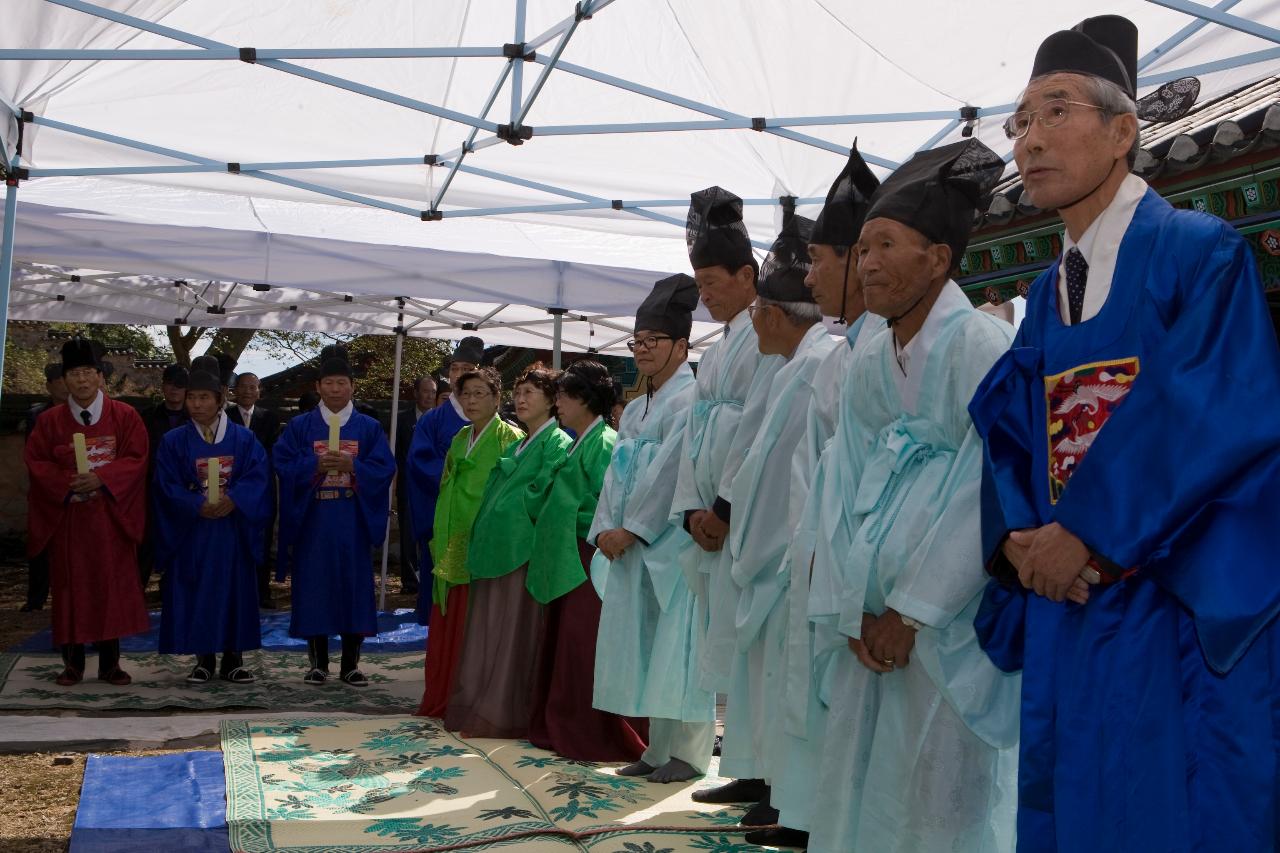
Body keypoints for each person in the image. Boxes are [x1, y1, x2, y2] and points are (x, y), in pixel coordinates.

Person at [970, 16, 1280, 852]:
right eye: (1019, 122)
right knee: (1074, 800)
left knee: (1167, 801)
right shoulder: (1045, 290)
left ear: (1123, 130)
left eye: (1055, 111)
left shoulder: (1199, 255)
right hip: (1067, 598)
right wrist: (1025, 545)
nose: (1029, 140)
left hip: (1167, 594)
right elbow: (1007, 431)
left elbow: (1218, 409)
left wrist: (1092, 534)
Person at [803, 139, 1019, 853]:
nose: (865, 263)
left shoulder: (980, 344)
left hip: (948, 623)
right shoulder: (870, 353)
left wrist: (913, 608)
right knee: (872, 785)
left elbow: (984, 487)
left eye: (885, 244)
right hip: (871, 611)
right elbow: (841, 479)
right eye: (861, 247)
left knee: (945, 794)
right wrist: (853, 602)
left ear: (939, 259)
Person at [758, 144, 880, 850]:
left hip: (859, 563)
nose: (810, 275)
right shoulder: (849, 349)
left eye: (820, 260)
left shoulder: (847, 354)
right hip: (818, 549)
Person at [718, 208, 836, 830]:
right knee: (767, 681)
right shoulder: (795, 366)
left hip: (799, 555)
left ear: (775, 314)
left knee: (797, 686)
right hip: (774, 552)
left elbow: (803, 472)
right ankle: (771, 782)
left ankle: (797, 802)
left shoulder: (819, 367)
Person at [673, 187, 782, 806]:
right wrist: (691, 506)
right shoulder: (717, 351)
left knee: (760, 649)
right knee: (732, 649)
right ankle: (745, 762)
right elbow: (698, 434)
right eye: (700, 283)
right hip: (710, 516)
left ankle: (772, 773)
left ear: (748, 276)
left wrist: (726, 507)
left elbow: (762, 432)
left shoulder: (769, 334)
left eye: (713, 281)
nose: (705, 295)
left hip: (748, 519)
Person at [591, 274, 716, 782]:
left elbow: (673, 472)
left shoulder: (690, 399)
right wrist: (604, 526)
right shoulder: (641, 404)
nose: (642, 350)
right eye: (636, 342)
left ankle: (690, 752)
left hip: (670, 543)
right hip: (634, 543)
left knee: (679, 648)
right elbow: (616, 470)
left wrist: (634, 530)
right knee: (645, 646)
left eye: (653, 342)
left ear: (682, 345)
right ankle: (658, 748)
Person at [528, 360, 647, 762]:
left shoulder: (605, 441)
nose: (557, 402)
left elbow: (611, 502)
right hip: (568, 552)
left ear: (584, 399)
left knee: (588, 644)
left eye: (563, 395)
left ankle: (598, 730)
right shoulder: (581, 439)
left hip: (591, 554)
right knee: (572, 642)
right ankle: (568, 722)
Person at [445, 364, 570, 737]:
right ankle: (484, 702)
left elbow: (543, 494)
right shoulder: (520, 443)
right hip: (498, 546)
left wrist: (508, 511)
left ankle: (508, 710)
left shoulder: (557, 442)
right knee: (491, 630)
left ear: (552, 400)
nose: (521, 399)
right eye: (519, 392)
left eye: (530, 392)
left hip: (523, 549)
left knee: (514, 632)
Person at [25, 338, 150, 686]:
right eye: (73, 374)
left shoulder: (125, 416)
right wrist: (68, 483)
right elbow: (36, 462)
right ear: (64, 380)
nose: (80, 380)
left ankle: (111, 663)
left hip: (110, 519)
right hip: (70, 522)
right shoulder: (49, 422)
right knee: (71, 589)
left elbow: (136, 459)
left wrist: (101, 478)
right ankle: (73, 663)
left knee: (109, 588)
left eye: (87, 373)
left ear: (100, 377)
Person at [274, 345, 395, 686]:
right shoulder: (300, 426)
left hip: (351, 519)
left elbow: (385, 467)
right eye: (329, 383)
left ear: (352, 387)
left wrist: (353, 466)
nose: (335, 389)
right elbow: (281, 463)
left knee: (353, 588)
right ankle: (317, 664)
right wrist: (314, 464)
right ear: (318, 387)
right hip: (314, 520)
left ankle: (351, 664)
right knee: (314, 587)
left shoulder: (368, 427)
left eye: (342, 382)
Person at [153, 356, 269, 684]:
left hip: (232, 530)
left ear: (221, 399)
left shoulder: (244, 439)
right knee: (196, 589)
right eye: (192, 397)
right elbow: (166, 484)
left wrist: (235, 499)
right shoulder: (173, 441)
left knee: (235, 590)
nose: (196, 404)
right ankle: (203, 658)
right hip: (195, 530)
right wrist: (194, 503)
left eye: (204, 397)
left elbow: (258, 476)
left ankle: (234, 658)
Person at [417, 365, 524, 717]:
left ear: (497, 398)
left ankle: (476, 699)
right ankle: (445, 692)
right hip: (452, 537)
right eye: (466, 394)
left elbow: (512, 495)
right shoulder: (459, 438)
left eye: (481, 393)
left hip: (484, 542)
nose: (472, 400)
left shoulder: (509, 438)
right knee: (450, 618)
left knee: (478, 622)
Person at [406, 336, 484, 627]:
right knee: (441, 598)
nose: (460, 374)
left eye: (468, 368)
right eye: (455, 368)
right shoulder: (432, 420)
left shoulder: (493, 420)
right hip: (443, 519)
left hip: (480, 520)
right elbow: (419, 464)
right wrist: (460, 481)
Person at [227, 371, 281, 608]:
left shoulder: (269, 418)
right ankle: (235, 591)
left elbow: (273, 452)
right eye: (243, 387)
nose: (248, 391)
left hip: (263, 489)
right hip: (232, 488)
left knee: (263, 539)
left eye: (253, 387)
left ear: (259, 391)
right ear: (234, 390)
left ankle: (262, 591)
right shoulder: (225, 416)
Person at [19, 363, 68, 612]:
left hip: (75, 488)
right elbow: (35, 455)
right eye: (57, 380)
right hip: (44, 489)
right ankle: (36, 598)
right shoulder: (37, 415)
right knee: (40, 544)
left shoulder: (81, 414)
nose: (63, 384)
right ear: (49, 385)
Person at [139, 363, 190, 588]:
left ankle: (172, 588)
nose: (174, 390)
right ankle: (136, 591)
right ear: (162, 386)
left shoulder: (196, 420)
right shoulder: (146, 417)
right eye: (170, 384)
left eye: (180, 386)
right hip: (151, 489)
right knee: (146, 541)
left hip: (185, 491)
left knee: (181, 541)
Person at [394, 376, 437, 596]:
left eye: (433, 391)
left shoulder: (440, 420)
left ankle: (432, 578)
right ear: (416, 393)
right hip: (408, 486)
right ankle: (410, 581)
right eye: (425, 391)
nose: (429, 396)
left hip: (434, 487)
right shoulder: (400, 421)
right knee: (408, 535)